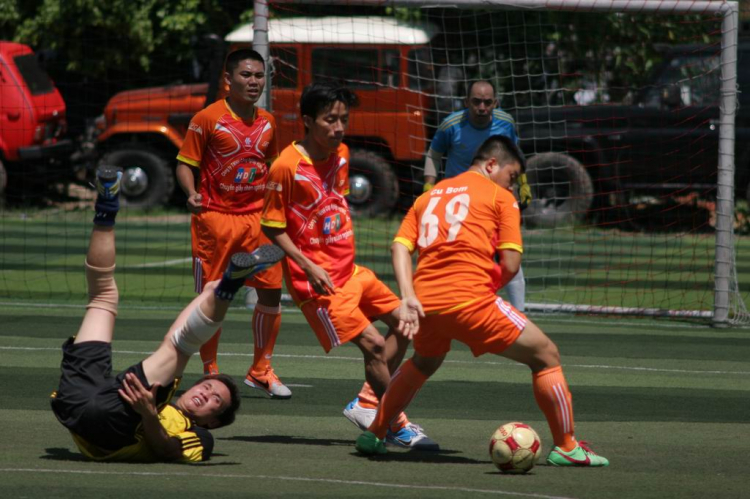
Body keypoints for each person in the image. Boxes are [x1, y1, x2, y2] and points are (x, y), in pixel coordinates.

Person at [356, 135, 609, 467]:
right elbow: (511, 265)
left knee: (424, 362)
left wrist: (409, 296)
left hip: (426, 305)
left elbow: (400, 247)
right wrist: (484, 289)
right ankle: (566, 446)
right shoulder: (499, 197)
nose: (513, 185)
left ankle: (374, 433)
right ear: (492, 165)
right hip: (470, 301)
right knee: (546, 356)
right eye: (511, 176)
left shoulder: (429, 196)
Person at [50, 166, 285, 462]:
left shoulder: (200, 436)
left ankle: (229, 283)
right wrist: (212, 289)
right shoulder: (167, 389)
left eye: (216, 402)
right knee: (102, 298)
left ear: (213, 421)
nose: (207, 395)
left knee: (178, 345)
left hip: (111, 426)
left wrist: (149, 414)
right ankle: (107, 202)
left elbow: (168, 451)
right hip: (84, 396)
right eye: (209, 387)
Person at [260, 81, 437, 450]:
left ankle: (367, 403)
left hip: (352, 271)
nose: (339, 127)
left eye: (343, 119)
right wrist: (308, 266)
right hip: (319, 284)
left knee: (407, 325)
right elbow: (271, 226)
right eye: (330, 120)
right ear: (307, 121)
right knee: (373, 344)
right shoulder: (285, 167)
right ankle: (395, 424)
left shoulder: (341, 153)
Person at [176, 48, 291, 399]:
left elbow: (272, 166)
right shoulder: (207, 118)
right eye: (246, 75)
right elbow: (185, 162)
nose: (254, 82)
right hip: (216, 220)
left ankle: (261, 369)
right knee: (213, 296)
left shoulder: (269, 121)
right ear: (229, 79)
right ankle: (210, 369)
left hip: (258, 220)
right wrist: (190, 192)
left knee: (271, 292)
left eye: (259, 76)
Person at [423, 80, 530, 312]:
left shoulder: (506, 122)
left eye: (487, 102)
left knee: (508, 252)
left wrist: (522, 182)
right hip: (459, 203)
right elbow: (434, 153)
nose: (482, 107)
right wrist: (429, 186)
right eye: (476, 101)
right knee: (455, 254)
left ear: (495, 103)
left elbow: (515, 153)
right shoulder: (450, 124)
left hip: (496, 199)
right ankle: (445, 305)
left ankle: (520, 313)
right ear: (466, 102)